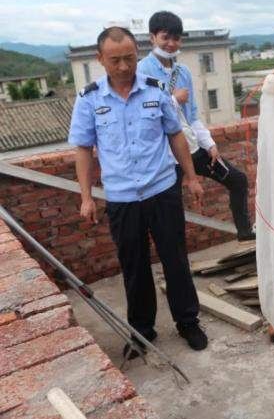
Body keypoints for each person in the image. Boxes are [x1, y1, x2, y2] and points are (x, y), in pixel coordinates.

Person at [69, 26, 209, 358]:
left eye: (129, 58)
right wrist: (86, 197)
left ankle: (188, 322)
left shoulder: (155, 91)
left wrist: (190, 178)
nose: (123, 66)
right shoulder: (89, 99)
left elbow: (176, 135)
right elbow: (83, 149)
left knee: (176, 259)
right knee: (134, 267)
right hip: (121, 198)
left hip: (162, 190)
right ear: (100, 59)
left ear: (137, 55)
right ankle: (142, 332)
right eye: (115, 60)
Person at [137, 11, 255, 241]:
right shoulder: (141, 71)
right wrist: (173, 100)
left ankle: (244, 232)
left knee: (237, 179)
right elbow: (143, 116)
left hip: (191, 147)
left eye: (176, 38)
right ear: (152, 38)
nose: (171, 44)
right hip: (165, 154)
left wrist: (209, 144)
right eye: (165, 37)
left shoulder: (183, 72)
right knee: (171, 208)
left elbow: (192, 115)